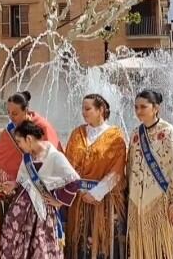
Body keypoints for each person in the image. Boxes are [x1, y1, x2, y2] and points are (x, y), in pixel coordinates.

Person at [126, 90, 173, 259]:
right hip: (139, 203)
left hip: (163, 202)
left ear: (156, 108)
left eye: (143, 107)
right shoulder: (135, 134)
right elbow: (130, 168)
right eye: (136, 107)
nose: (138, 111)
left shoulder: (168, 132)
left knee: (166, 248)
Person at [0, 121, 80, 259]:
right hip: (20, 210)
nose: (19, 145)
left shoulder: (54, 156)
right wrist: (15, 184)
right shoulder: (27, 157)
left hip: (42, 211)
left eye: (19, 141)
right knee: (13, 240)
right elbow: (24, 179)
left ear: (29, 139)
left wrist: (59, 201)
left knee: (41, 246)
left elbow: (75, 181)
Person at [64, 94, 127, 259]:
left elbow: (117, 170)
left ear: (101, 110)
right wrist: (76, 188)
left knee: (101, 245)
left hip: (104, 200)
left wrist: (97, 193)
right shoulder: (77, 133)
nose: (83, 112)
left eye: (88, 109)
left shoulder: (115, 136)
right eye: (82, 109)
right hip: (79, 199)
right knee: (78, 244)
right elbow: (67, 164)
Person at [0, 91, 61, 184]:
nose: (11, 117)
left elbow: (52, 159)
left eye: (15, 114)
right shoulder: (10, 131)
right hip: (20, 182)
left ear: (25, 110)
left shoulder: (42, 127)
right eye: (9, 113)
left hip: (48, 182)